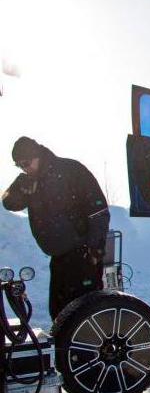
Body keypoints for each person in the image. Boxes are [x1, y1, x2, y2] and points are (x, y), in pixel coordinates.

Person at [2, 137, 110, 320]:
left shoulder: (71, 170)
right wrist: (19, 187)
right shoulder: (29, 182)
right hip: (59, 257)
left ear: (38, 156)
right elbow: (9, 203)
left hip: (83, 254)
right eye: (19, 166)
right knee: (60, 314)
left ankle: (93, 347)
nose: (24, 168)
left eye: (26, 163)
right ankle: (67, 348)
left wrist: (95, 250)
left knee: (85, 313)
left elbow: (98, 211)